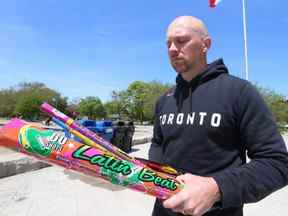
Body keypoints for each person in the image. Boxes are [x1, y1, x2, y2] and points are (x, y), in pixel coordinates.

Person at [148, 16, 288, 216]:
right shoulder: (164, 100)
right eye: (168, 43)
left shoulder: (239, 92)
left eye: (181, 40)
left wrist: (216, 189)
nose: (172, 49)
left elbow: (277, 163)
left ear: (205, 44)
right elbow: (158, 144)